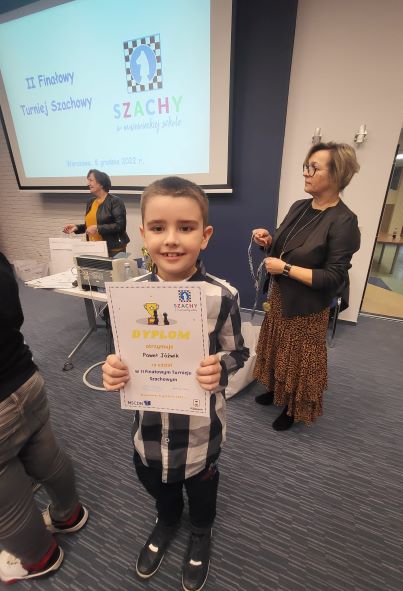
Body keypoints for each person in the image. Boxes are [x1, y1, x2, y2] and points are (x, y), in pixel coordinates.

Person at [102, 177, 248, 591]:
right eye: (158, 227)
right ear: (143, 234)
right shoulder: (127, 296)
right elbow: (119, 355)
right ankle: (166, 521)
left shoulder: (222, 296)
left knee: (201, 490)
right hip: (148, 430)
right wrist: (113, 371)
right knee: (157, 484)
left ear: (205, 236)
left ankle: (201, 530)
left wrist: (221, 368)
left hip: (201, 432)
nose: (171, 239)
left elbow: (238, 352)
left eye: (185, 228)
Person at [252, 141, 361, 431]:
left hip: (307, 307)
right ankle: (276, 389)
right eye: (306, 166)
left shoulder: (344, 221)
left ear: (337, 175)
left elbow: (334, 277)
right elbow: (286, 247)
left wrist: (286, 269)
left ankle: (293, 407)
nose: (306, 173)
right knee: (278, 345)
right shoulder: (299, 207)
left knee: (299, 357)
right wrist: (268, 241)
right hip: (281, 295)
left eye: (314, 168)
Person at [0, 252, 88, 584]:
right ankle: (69, 514)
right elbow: (13, 312)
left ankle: (39, 557)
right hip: (25, 378)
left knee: (6, 503)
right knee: (47, 456)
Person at [63, 169, 130, 256]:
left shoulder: (115, 201)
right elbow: (91, 225)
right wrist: (77, 227)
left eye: (91, 180)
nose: (88, 184)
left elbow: (120, 226)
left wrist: (98, 228)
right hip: (94, 248)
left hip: (113, 249)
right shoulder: (91, 202)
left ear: (101, 184)